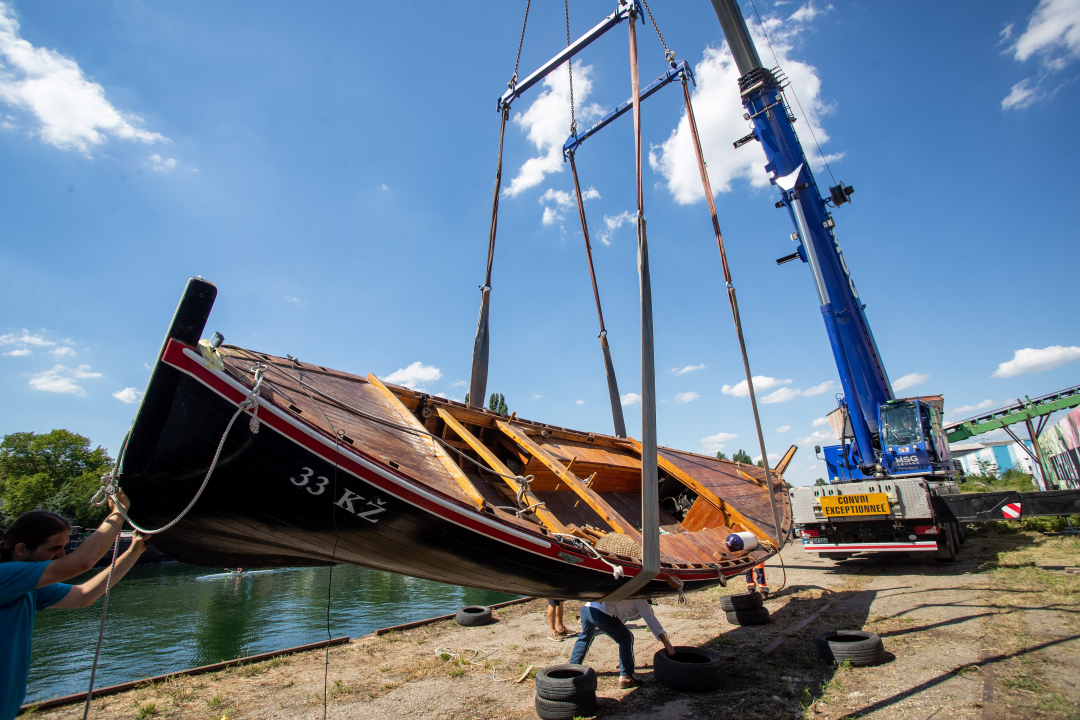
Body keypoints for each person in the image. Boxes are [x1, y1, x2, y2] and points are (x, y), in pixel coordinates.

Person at [1, 492, 147, 720]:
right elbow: (82, 562)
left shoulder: (25, 589)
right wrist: (119, 511)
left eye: (64, 547)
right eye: (53, 549)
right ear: (21, 549)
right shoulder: (3, 576)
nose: (61, 554)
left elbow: (83, 595)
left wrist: (134, 551)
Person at [569, 599, 675, 688]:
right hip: (601, 611)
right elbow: (652, 621)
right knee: (625, 638)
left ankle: (571, 669)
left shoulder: (629, 591)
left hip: (586, 609)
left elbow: (618, 619)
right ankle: (626, 676)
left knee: (584, 638)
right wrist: (666, 643)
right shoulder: (640, 599)